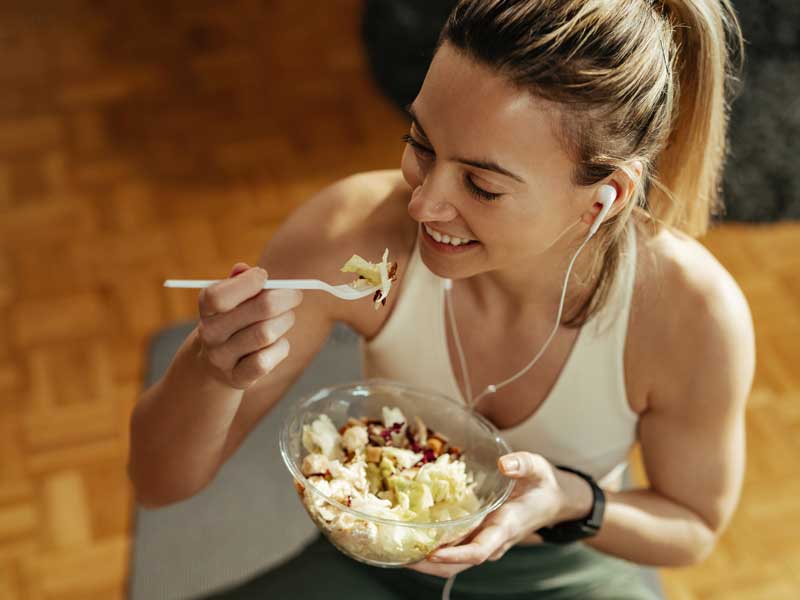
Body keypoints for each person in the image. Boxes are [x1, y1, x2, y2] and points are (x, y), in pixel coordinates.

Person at [128, 0, 754, 598]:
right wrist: (210, 372)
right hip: (371, 563)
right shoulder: (348, 233)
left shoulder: (690, 316)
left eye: (481, 185)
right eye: (421, 144)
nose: (423, 203)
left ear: (604, 197)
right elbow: (158, 484)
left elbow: (692, 527)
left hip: (554, 569)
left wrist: (569, 499)